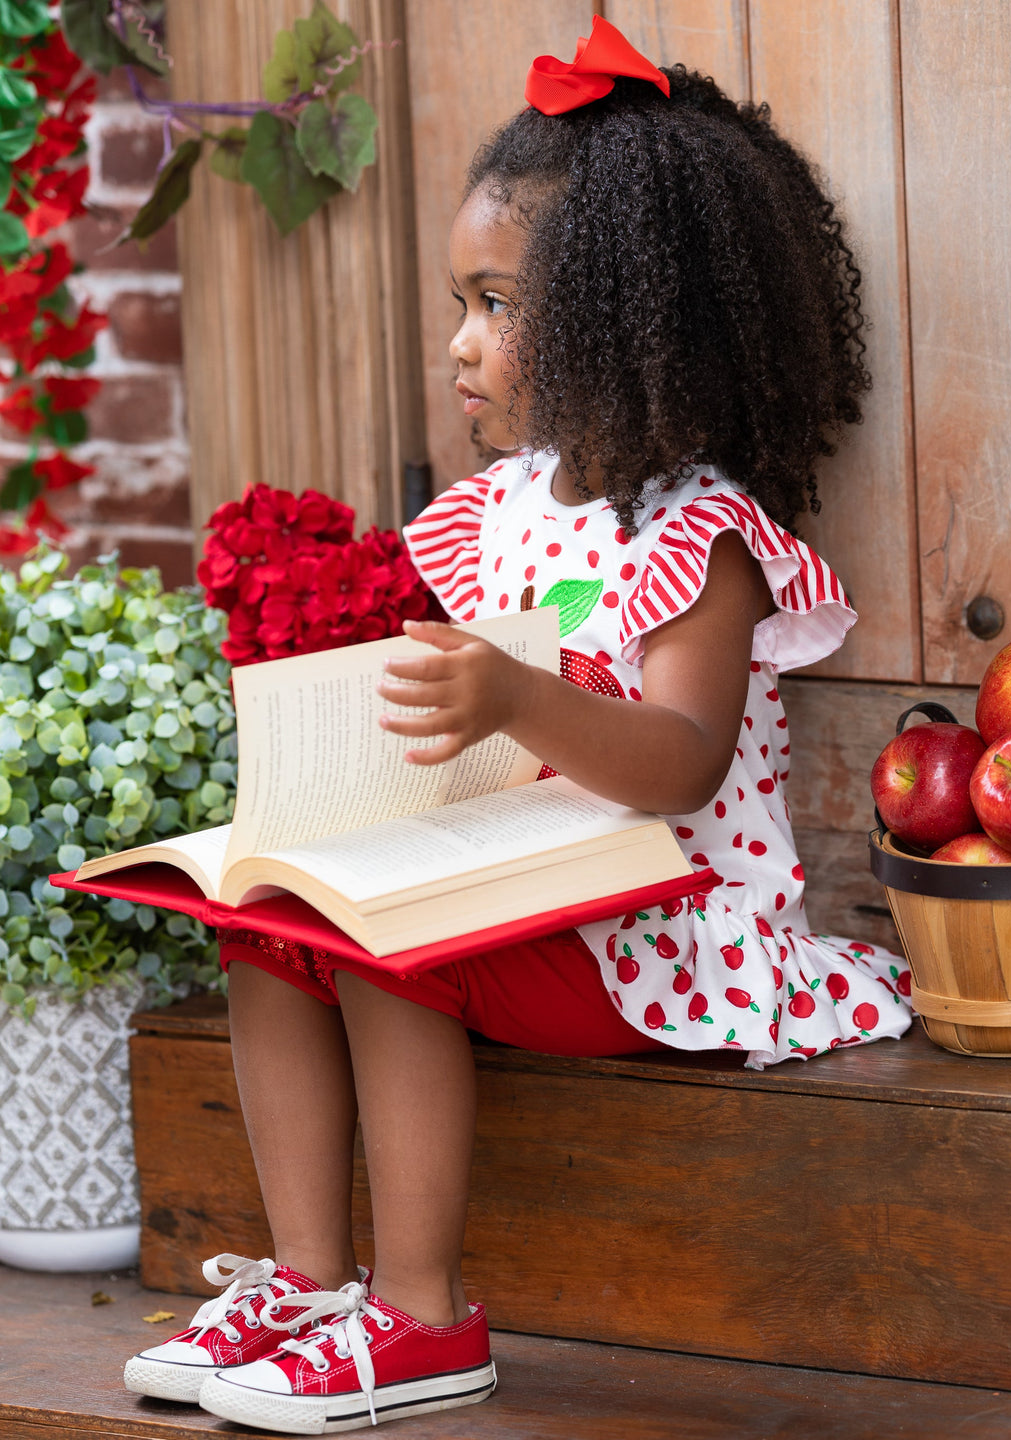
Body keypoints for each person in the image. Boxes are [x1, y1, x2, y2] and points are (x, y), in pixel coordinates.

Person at [124, 18, 911, 1433]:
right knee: (267, 928)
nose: (462, 345)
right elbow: (447, 713)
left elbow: (682, 762)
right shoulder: (500, 511)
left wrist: (516, 697)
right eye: (460, 304)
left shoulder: (704, 537)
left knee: (391, 953)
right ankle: (308, 1281)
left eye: (495, 304)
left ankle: (422, 1317)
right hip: (522, 893)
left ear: (627, 316)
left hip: (659, 935)